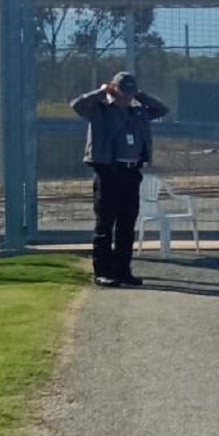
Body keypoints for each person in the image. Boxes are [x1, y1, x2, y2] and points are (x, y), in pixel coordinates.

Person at [71, 71, 170, 287]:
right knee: (105, 224)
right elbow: (77, 105)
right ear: (114, 89)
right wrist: (101, 92)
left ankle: (123, 271)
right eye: (124, 91)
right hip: (108, 172)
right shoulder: (100, 110)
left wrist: (140, 95)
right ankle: (103, 272)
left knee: (127, 225)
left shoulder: (139, 112)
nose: (127, 97)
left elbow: (162, 109)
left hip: (131, 172)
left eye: (130, 92)